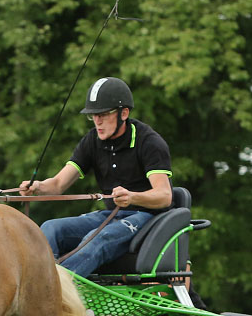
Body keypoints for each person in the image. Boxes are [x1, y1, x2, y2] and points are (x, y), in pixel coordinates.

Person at [18, 77, 173, 277]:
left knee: (95, 238)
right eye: (93, 116)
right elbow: (57, 184)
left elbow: (165, 196)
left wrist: (133, 197)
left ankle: (56, 294)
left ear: (123, 113)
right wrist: (37, 186)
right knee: (51, 227)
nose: (97, 122)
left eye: (103, 115)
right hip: (110, 215)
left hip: (145, 218)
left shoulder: (149, 142)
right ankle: (38, 283)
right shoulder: (93, 140)